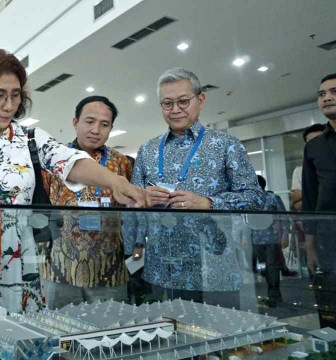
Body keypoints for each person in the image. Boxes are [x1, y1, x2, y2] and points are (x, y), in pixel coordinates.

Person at [0, 49, 145, 325]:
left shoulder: (30, 139)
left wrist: (115, 181)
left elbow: (71, 161)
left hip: (15, 264)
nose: (9, 105)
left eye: (15, 95)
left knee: (13, 337)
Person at [130, 67, 264, 306]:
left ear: (200, 100)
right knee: (170, 338)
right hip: (163, 269)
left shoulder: (226, 144)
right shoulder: (147, 150)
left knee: (221, 337)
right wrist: (143, 198)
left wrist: (209, 203)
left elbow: (255, 197)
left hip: (213, 266)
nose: (175, 110)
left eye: (183, 101)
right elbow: (132, 202)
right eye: (167, 104)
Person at [40, 96, 131, 309]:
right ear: (75, 122)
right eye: (89, 121)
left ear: (111, 128)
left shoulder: (122, 164)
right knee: (59, 333)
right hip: (59, 268)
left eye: (104, 124)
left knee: (110, 334)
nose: (96, 129)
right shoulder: (54, 162)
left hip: (108, 269)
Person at [302, 72, 336, 328]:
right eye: (322, 94)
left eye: (334, 92)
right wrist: (310, 245)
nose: (327, 98)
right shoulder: (314, 147)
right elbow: (311, 198)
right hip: (328, 240)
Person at [251, 175, 289, 307]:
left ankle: (274, 296)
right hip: (256, 241)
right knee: (260, 268)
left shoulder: (273, 198)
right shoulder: (250, 200)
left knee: (272, 268)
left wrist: (284, 236)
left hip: (272, 239)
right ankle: (268, 292)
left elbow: (283, 217)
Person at [290, 124, 326, 211]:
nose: (316, 146)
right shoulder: (300, 170)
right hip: (315, 220)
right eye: (311, 143)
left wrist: (305, 194)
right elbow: (297, 203)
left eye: (320, 141)